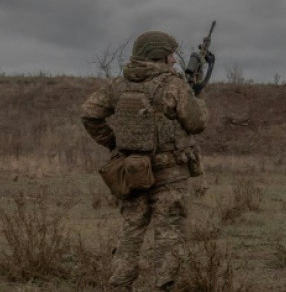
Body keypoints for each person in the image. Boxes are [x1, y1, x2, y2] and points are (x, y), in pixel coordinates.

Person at [81, 30, 209, 292]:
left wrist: (115, 144)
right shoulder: (175, 86)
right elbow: (197, 123)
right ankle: (163, 288)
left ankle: (119, 286)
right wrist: (197, 94)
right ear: (159, 55)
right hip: (170, 174)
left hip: (132, 171)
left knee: (131, 231)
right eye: (170, 54)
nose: (174, 60)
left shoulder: (120, 84)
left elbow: (89, 114)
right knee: (169, 235)